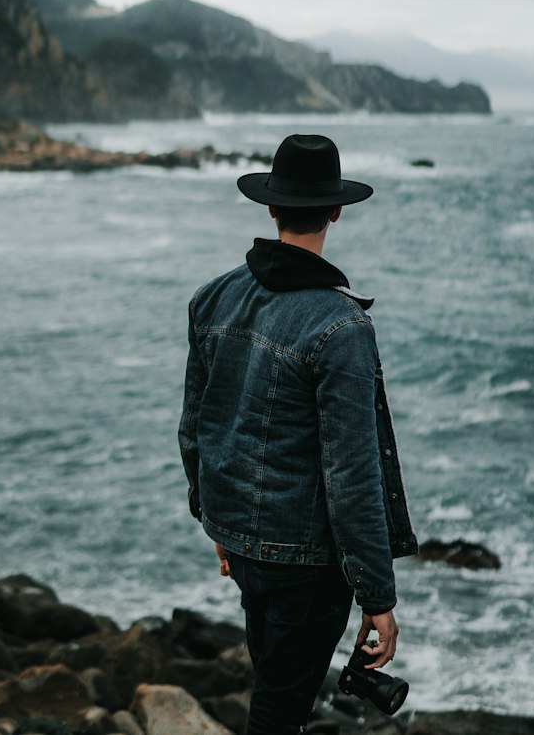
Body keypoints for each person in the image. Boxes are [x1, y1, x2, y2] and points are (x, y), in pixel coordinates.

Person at [179, 133, 418, 735]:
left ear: (270, 207)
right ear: (336, 210)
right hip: (306, 564)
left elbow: (196, 429)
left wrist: (215, 520)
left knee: (275, 694)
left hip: (242, 548)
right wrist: (378, 598)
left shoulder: (212, 299)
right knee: (278, 716)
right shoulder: (342, 327)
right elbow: (352, 475)